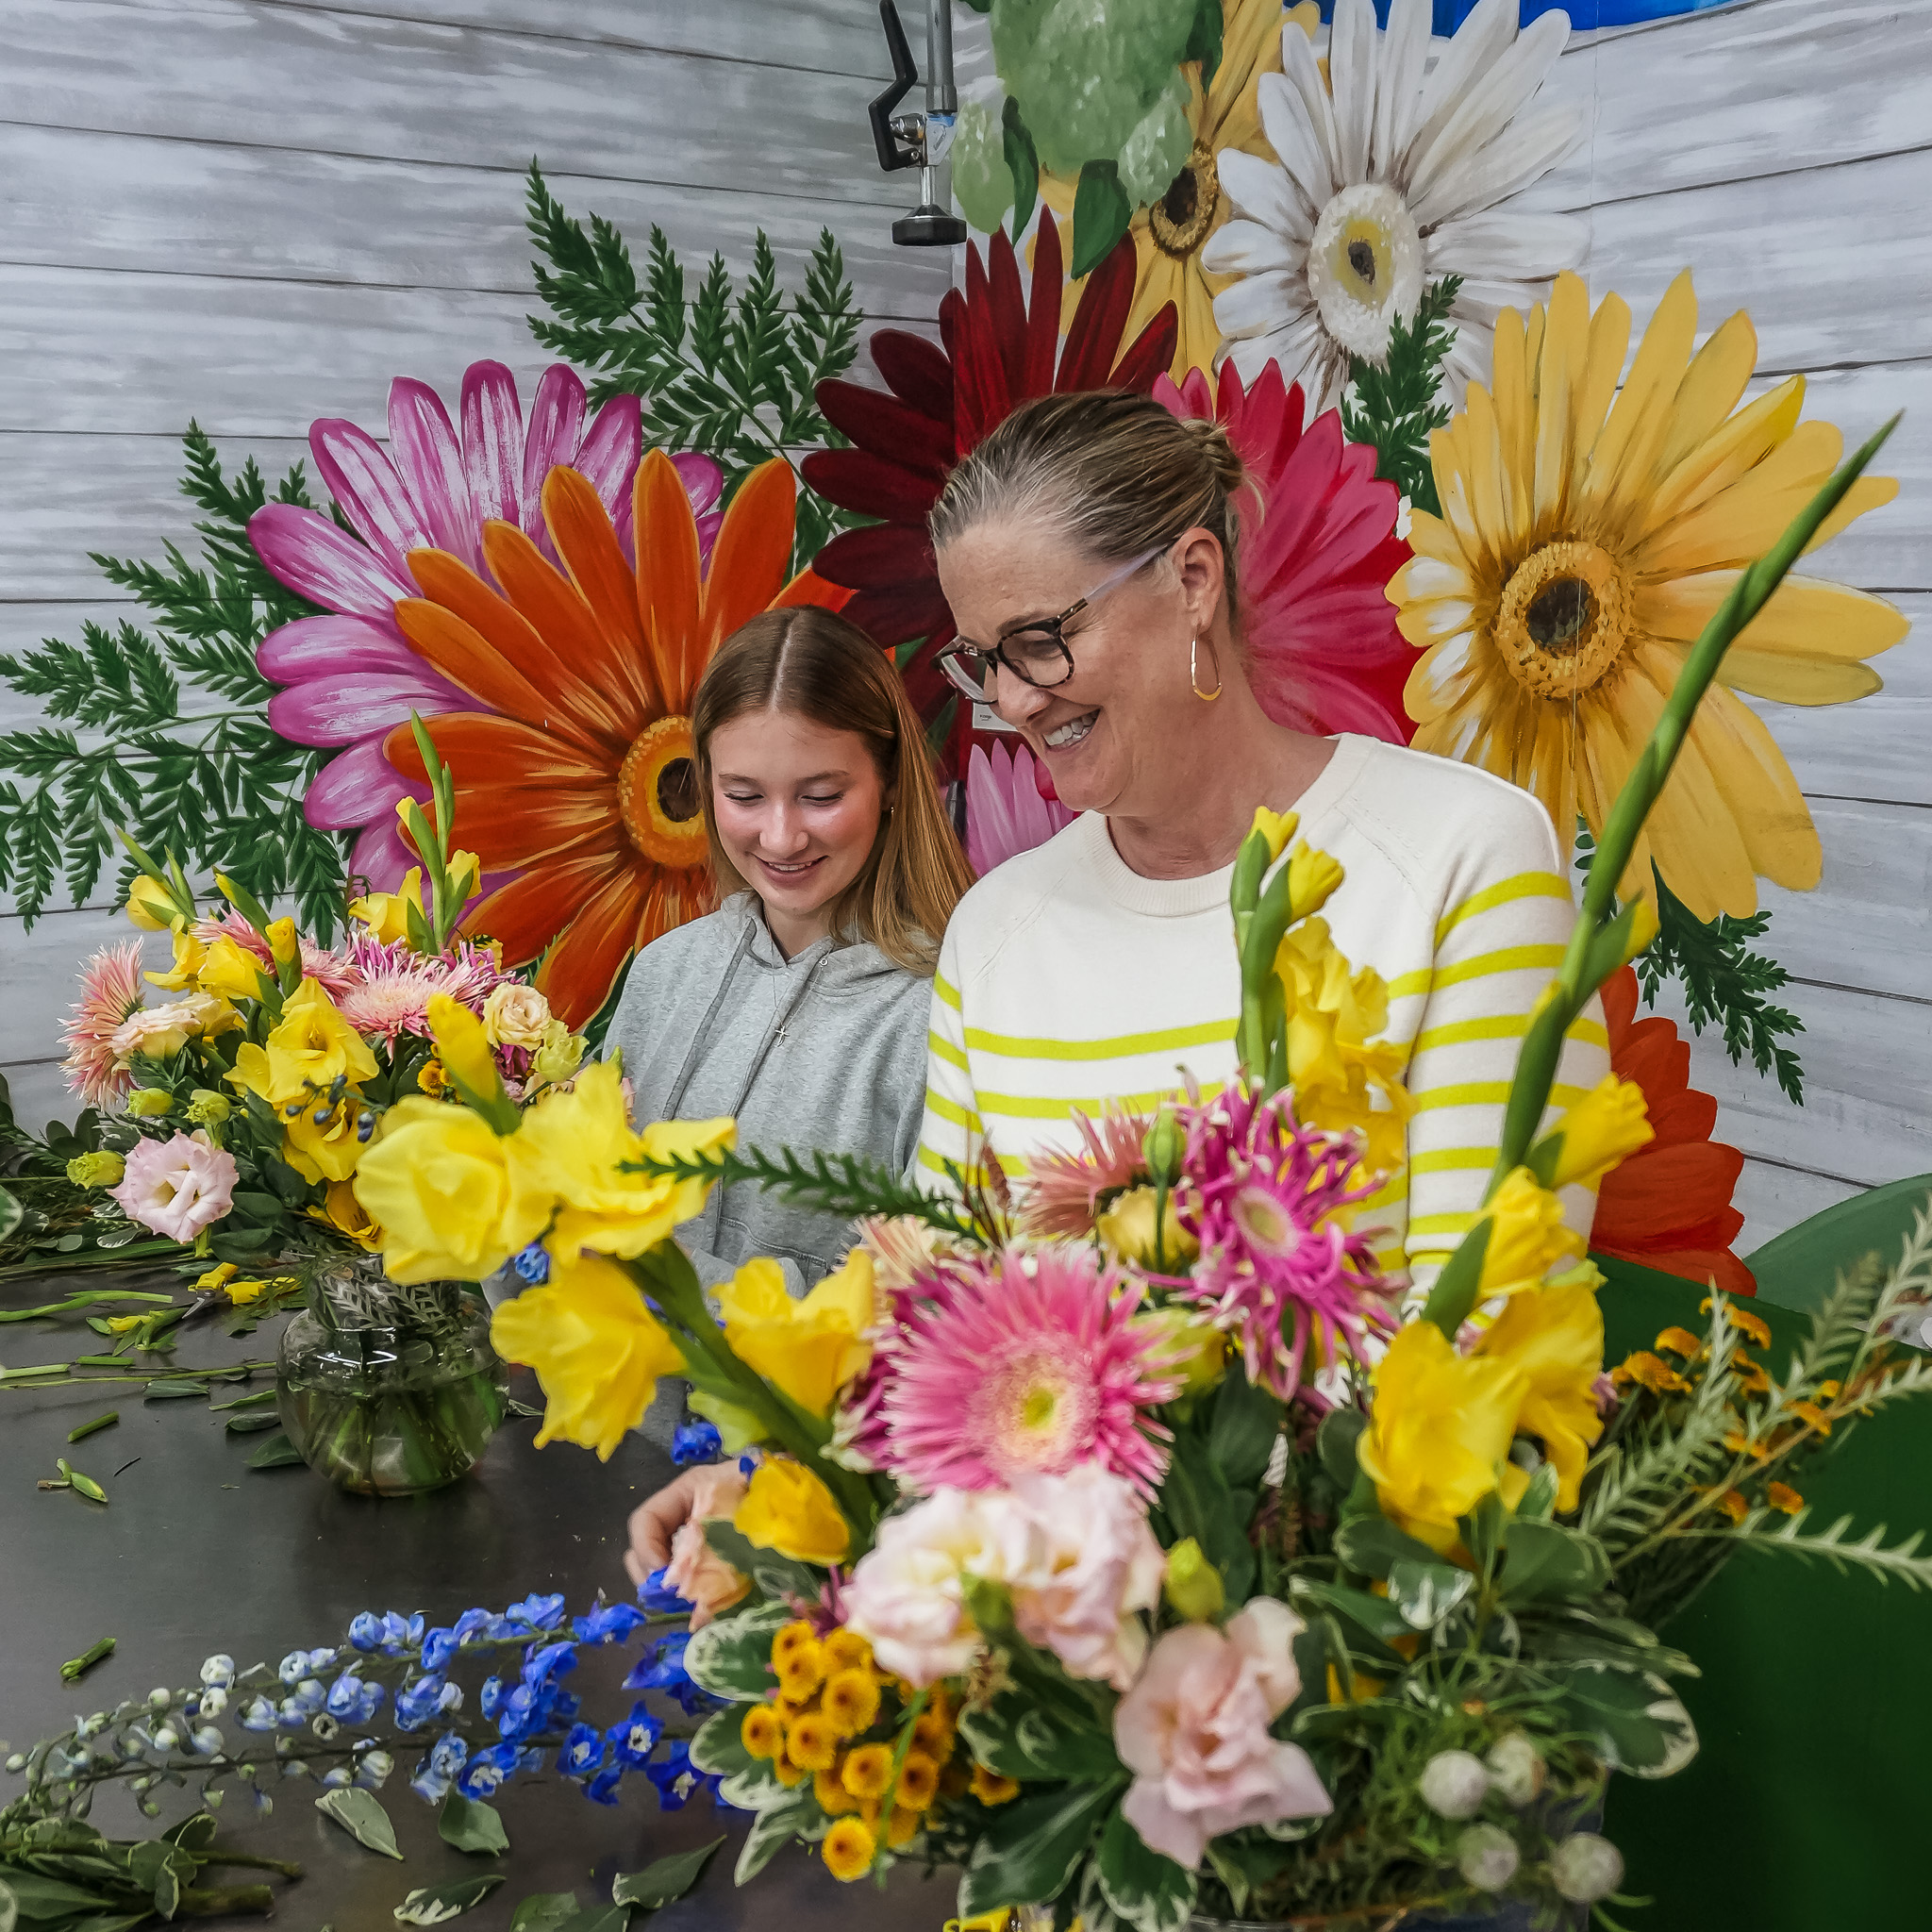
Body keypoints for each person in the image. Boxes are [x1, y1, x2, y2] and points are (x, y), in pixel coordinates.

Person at [625, 388, 1608, 1580]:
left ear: (1191, 577)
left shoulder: (1462, 857)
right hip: (1047, 1608)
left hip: (1358, 1611)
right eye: (983, 660)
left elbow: (1476, 1341)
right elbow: (934, 1311)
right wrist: (788, 1485)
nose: (1012, 700)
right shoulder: (998, 930)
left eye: (1042, 638)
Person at [603, 603, 971, 1449]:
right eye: (743, 795)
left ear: (889, 780)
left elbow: (906, 1324)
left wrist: (666, 1275)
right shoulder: (663, 973)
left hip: (808, 1488)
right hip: (615, 1471)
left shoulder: (943, 1010)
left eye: (821, 795)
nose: (779, 836)